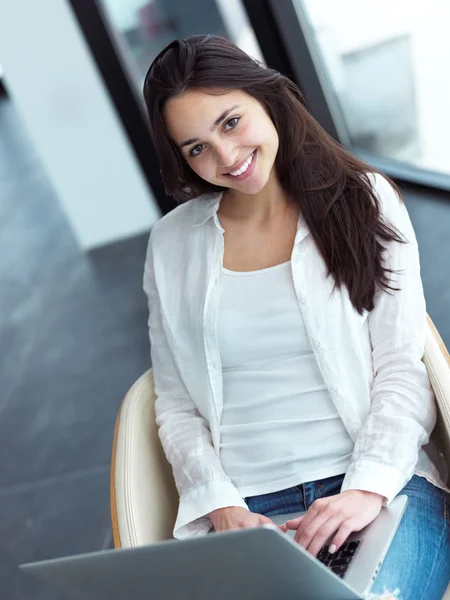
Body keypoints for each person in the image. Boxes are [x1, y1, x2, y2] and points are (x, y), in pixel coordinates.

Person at [142, 34, 450, 599]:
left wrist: (365, 490)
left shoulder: (364, 200)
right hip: (248, 509)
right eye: (196, 148)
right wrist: (223, 507)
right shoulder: (171, 245)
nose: (226, 157)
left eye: (231, 122)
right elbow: (177, 403)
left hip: (376, 484)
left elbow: (402, 366)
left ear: (266, 98)